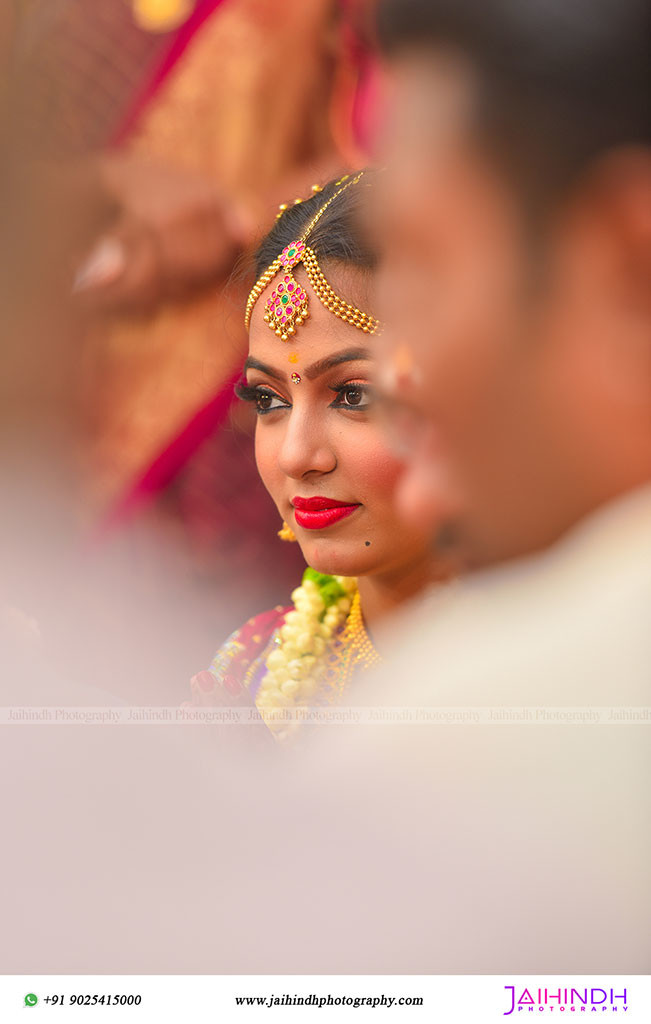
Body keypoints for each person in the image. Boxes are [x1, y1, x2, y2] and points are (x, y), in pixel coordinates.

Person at [189, 170, 447, 740]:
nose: (296, 455)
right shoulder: (252, 671)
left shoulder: (571, 680)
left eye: (354, 395)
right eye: (269, 399)